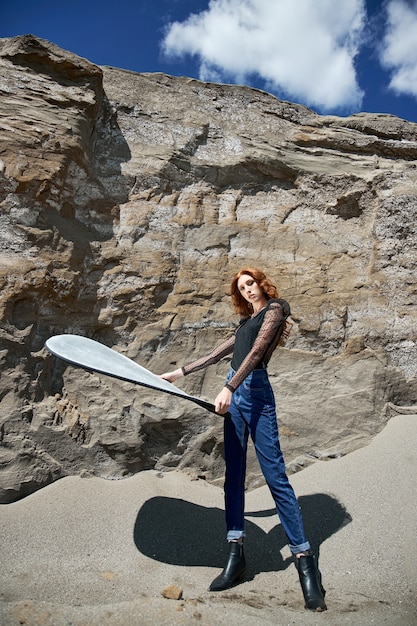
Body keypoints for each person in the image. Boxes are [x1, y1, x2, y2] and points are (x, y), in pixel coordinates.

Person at [159, 267, 326, 611]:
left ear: (261, 283)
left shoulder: (275, 310)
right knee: (233, 476)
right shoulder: (247, 321)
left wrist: (229, 389)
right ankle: (236, 556)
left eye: (250, 283)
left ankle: (305, 561)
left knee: (276, 477)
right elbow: (224, 350)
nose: (248, 290)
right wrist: (181, 372)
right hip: (234, 389)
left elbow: (255, 354)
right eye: (241, 287)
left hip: (256, 395)